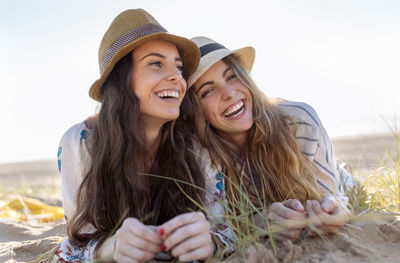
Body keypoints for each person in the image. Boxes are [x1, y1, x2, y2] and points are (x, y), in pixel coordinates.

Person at [55, 10, 215, 262]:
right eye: (155, 63)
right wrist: (113, 248)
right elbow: (75, 246)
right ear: (123, 79)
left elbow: (224, 228)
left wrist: (209, 241)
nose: (177, 77)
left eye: (179, 67)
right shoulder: (82, 141)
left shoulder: (195, 142)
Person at [186, 36, 354, 245]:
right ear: (194, 111)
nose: (229, 93)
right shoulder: (200, 156)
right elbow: (221, 227)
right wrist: (261, 222)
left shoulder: (299, 120)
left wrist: (333, 212)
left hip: (325, 170)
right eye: (208, 90)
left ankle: (346, 171)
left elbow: (336, 199)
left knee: (348, 181)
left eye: (231, 77)